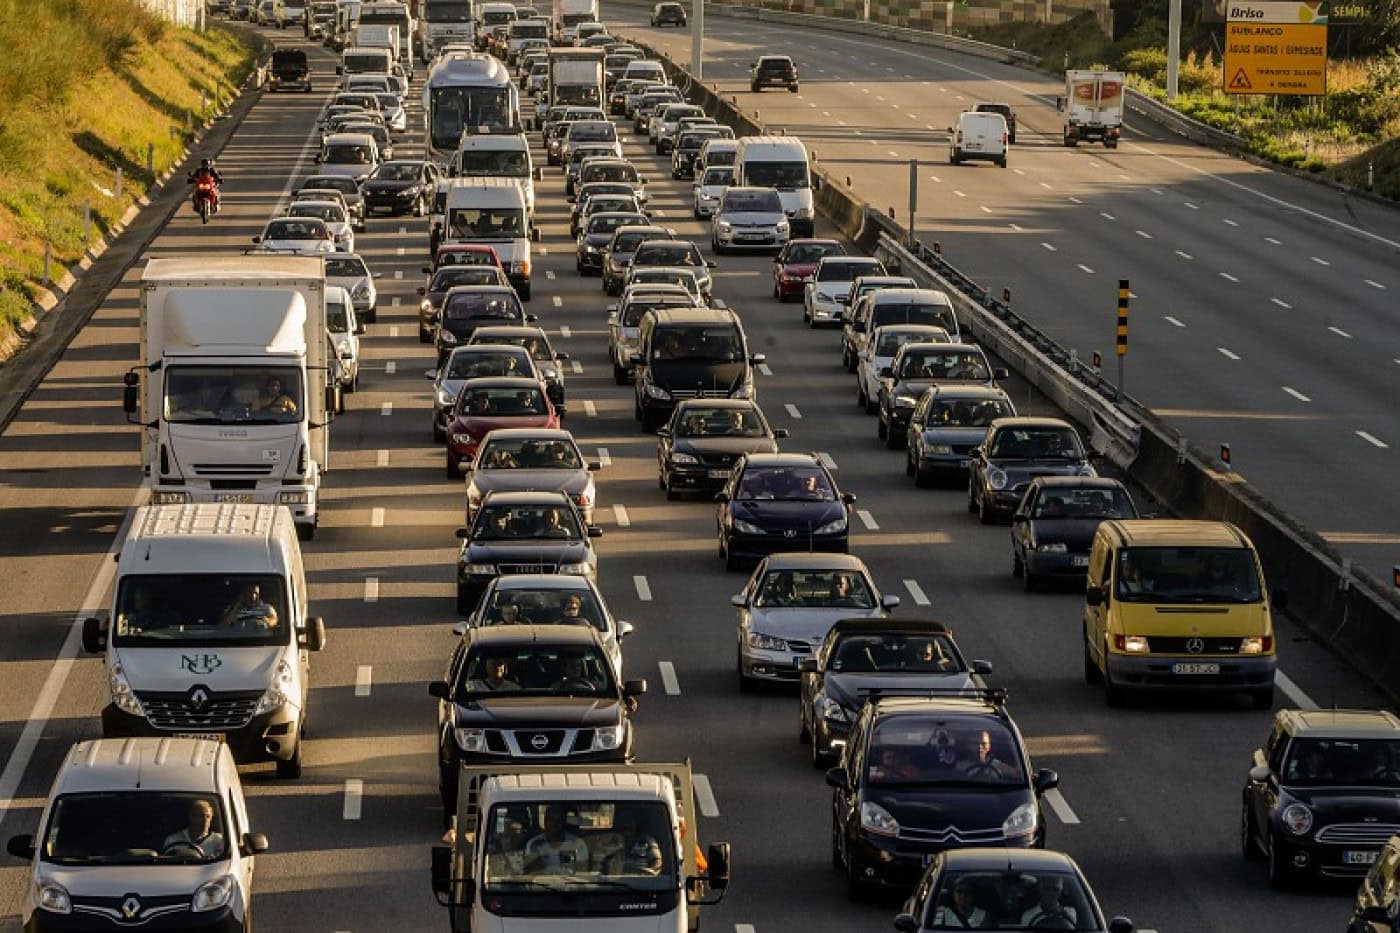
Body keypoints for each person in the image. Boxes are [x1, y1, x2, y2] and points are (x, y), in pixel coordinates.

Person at [523, 805, 589, 874]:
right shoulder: (533, 844)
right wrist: (535, 852)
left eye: (559, 820)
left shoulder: (578, 844)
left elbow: (582, 874)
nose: (555, 823)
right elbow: (533, 874)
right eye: (551, 820)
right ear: (545, 822)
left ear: (564, 822)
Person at [600, 809, 664, 876]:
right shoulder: (611, 842)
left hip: (642, 883)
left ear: (635, 824)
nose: (627, 824)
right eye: (623, 822)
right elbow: (602, 867)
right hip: (616, 883)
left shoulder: (647, 841)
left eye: (629, 821)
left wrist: (649, 873)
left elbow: (657, 862)